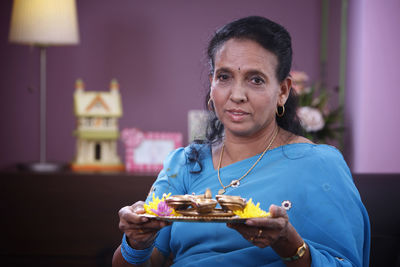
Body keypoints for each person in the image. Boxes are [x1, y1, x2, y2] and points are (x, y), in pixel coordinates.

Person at [112, 16, 370, 267]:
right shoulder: (185, 163)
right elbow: (146, 261)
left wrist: (288, 243)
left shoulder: (320, 164)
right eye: (224, 77)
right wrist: (137, 243)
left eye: (255, 80)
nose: (236, 95)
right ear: (212, 83)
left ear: (282, 91)